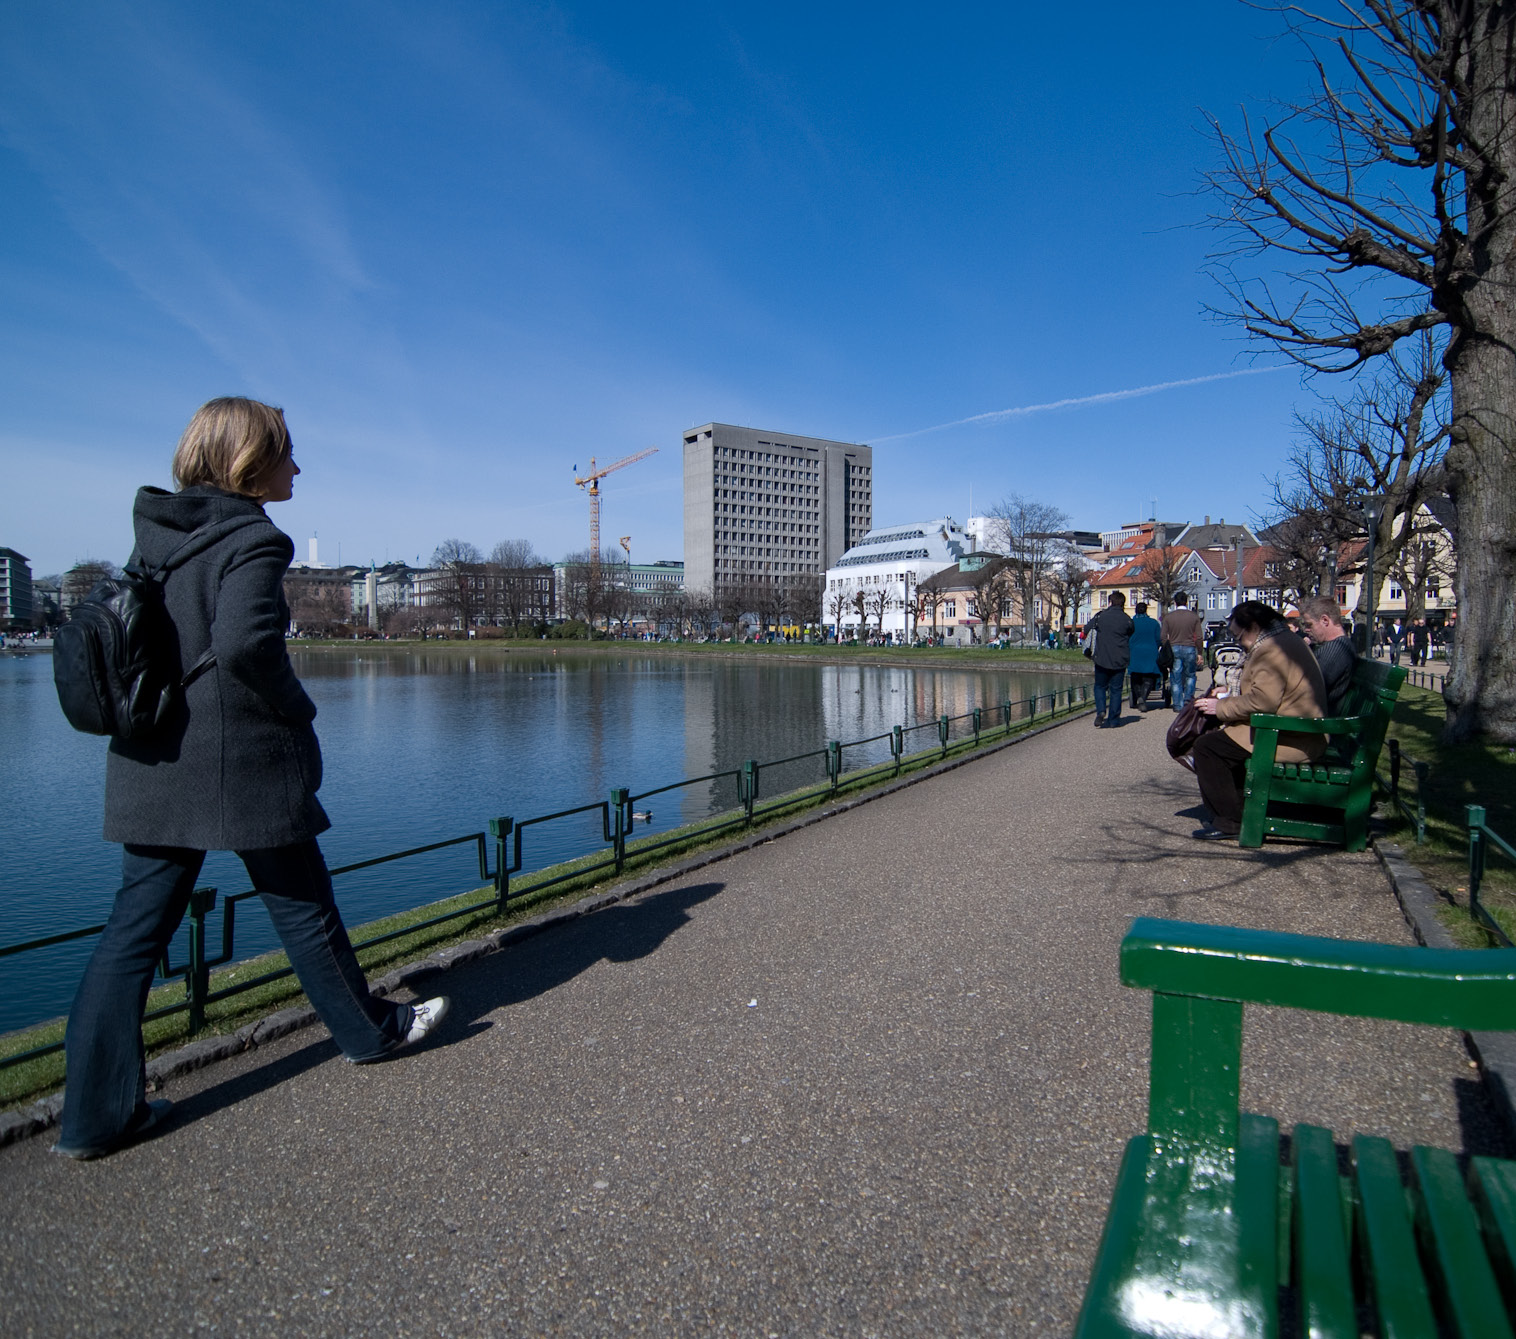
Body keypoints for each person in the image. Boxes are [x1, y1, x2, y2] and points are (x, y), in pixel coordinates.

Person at [55, 398, 450, 1161]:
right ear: (248, 463)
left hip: (151, 761)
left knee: (130, 936)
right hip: (238, 763)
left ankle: (92, 1118)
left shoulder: (157, 538)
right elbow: (245, 645)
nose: (296, 467)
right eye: (286, 453)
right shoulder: (255, 537)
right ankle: (371, 1033)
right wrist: (298, 707)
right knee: (305, 906)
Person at [1189, 600, 1329, 840]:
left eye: (1238, 635)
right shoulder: (1281, 642)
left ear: (1253, 627)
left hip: (1292, 735)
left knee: (1208, 748)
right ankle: (1239, 808)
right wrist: (1228, 695)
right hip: (1294, 729)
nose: (1238, 642)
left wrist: (1221, 706)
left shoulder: (1272, 650)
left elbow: (1264, 701)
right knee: (1217, 742)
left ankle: (1231, 821)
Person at [1298, 594, 1358, 715]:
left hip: (1317, 723)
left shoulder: (1336, 650)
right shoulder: (1338, 647)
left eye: (1309, 625)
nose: (1306, 630)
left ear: (1325, 620)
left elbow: (1306, 689)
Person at [1085, 593, 1134, 727]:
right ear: (1123, 603)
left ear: (1110, 602)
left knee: (1100, 686)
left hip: (1102, 657)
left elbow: (1087, 629)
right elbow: (1131, 632)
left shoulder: (1101, 616)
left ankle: (1101, 711)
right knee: (1116, 690)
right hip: (1120, 658)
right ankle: (1114, 719)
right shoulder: (1127, 619)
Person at [1160, 592, 1204, 712]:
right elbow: (1199, 637)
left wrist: (1166, 647)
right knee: (1190, 675)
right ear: (1186, 601)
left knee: (1175, 676)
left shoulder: (1168, 617)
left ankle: (1177, 705)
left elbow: (1163, 636)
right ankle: (1188, 701)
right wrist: (1200, 652)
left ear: (1175, 602)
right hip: (1189, 647)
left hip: (1174, 648)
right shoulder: (1194, 617)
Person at [1127, 601, 1162, 711]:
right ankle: (1143, 697)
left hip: (1134, 652)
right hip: (1150, 652)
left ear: (1135, 610)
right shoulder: (1154, 623)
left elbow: (1126, 638)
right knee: (1149, 677)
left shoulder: (1131, 623)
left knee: (1135, 676)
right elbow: (1158, 640)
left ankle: (1138, 697)